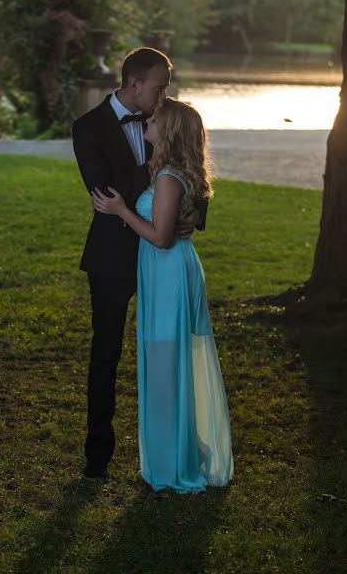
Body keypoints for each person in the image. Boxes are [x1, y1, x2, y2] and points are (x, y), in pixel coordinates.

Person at [72, 47, 204, 480]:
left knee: (171, 350)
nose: (165, 95)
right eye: (160, 86)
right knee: (106, 352)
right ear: (134, 84)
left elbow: (192, 172)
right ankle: (98, 453)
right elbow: (104, 192)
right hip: (113, 256)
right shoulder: (88, 128)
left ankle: (178, 442)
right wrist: (156, 168)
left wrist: (189, 216)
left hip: (161, 259)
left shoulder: (165, 122)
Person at [92, 97, 233, 493]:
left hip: (169, 273)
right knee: (167, 363)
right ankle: (174, 452)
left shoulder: (169, 177)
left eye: (154, 119)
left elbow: (158, 236)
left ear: (167, 130)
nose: (147, 122)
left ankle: (173, 464)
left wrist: (121, 210)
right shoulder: (166, 174)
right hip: (165, 272)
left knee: (167, 364)